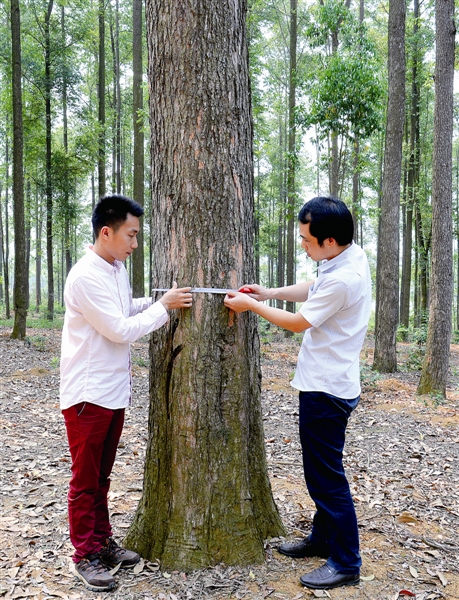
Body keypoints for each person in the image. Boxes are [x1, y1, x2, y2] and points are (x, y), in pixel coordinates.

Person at [224, 196, 371, 591]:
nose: (303, 245)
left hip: (327, 389)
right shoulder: (346, 257)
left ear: (329, 241)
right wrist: (268, 292)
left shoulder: (344, 278)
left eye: (307, 240)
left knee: (326, 478)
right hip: (329, 382)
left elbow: (298, 323)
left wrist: (250, 306)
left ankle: (346, 562)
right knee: (320, 472)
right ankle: (323, 539)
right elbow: (313, 288)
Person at [60, 194, 193, 592]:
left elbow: (122, 310)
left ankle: (102, 542)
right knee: (85, 480)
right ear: (107, 232)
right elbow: (119, 330)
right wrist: (163, 308)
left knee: (101, 477)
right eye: (131, 235)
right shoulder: (84, 276)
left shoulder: (115, 268)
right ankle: (84, 555)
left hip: (113, 391)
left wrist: (155, 301)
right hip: (88, 395)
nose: (135, 243)